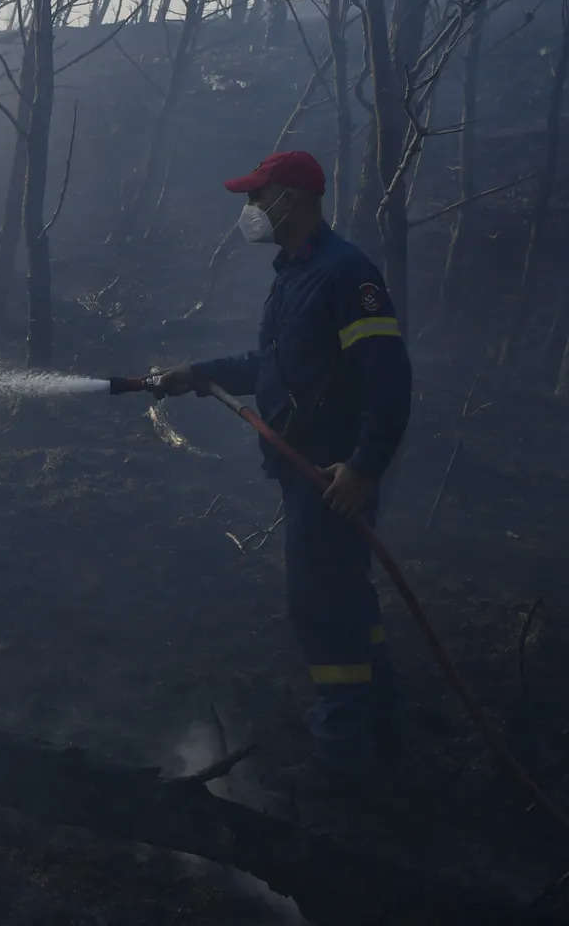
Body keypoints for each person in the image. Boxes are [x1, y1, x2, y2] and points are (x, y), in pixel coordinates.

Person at [154, 150, 412, 786]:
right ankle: (383, 719)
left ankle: (341, 750)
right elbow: (271, 366)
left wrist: (362, 468)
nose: (248, 211)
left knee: (321, 605)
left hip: (330, 478)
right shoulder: (295, 275)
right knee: (345, 593)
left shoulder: (345, 275)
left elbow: (390, 380)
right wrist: (203, 373)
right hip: (308, 474)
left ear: (289, 200)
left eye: (255, 197)